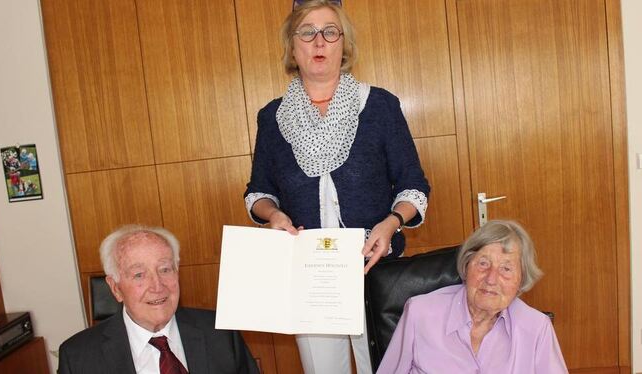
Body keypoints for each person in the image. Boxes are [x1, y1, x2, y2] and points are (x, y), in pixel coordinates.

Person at [243, 1, 430, 372]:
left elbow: (413, 184)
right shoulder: (272, 117)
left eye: (330, 32)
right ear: (292, 46)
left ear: (343, 45)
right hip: (309, 273)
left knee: (386, 366)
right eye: (307, 32)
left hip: (374, 265)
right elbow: (258, 192)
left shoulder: (379, 106)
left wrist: (391, 222)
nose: (319, 42)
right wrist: (274, 214)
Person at [58, 225, 259, 374]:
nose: (157, 286)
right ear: (115, 288)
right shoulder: (77, 358)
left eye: (164, 270)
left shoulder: (221, 334)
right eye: (139, 275)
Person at [377, 220, 568, 373]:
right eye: (483, 263)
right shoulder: (420, 313)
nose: (492, 278)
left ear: (521, 280)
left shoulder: (536, 328)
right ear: (467, 266)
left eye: (506, 269)